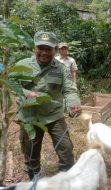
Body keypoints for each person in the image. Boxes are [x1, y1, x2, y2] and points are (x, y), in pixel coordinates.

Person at [15, 31, 81, 179]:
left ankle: (66, 180)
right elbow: (11, 86)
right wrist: (26, 93)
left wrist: (73, 104)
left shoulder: (61, 68)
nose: (44, 52)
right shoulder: (21, 65)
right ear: (34, 48)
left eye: (48, 49)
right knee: (31, 151)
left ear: (55, 50)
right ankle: (34, 181)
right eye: (41, 48)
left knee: (66, 149)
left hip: (53, 114)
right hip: (30, 116)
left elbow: (69, 89)